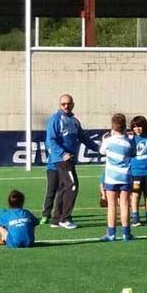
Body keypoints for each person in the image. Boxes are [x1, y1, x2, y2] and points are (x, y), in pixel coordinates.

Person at [44, 93, 100, 229]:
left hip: (69, 159)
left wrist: (100, 148)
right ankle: (65, 218)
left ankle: (56, 219)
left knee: (63, 188)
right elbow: (50, 140)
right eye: (63, 104)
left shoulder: (74, 121)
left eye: (69, 104)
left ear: (73, 104)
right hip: (61, 159)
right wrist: (63, 153)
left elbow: (84, 138)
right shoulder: (55, 119)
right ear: (59, 105)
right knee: (72, 185)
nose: (66, 106)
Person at [99, 113, 135, 242]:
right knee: (125, 205)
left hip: (111, 178)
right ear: (125, 126)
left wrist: (104, 140)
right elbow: (134, 153)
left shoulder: (108, 141)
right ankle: (126, 233)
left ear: (112, 126)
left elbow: (102, 152)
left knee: (112, 206)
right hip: (125, 176)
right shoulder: (128, 142)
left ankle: (111, 233)